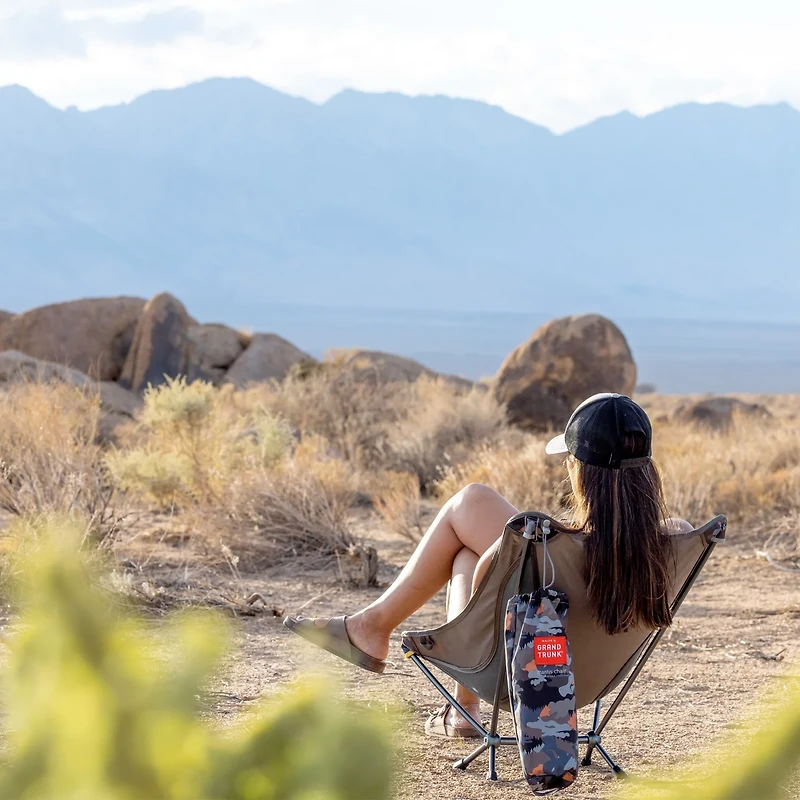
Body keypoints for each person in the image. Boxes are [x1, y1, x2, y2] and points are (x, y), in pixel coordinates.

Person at [285, 393, 692, 737]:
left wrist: (515, 550)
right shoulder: (674, 542)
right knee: (471, 535)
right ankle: (386, 640)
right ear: (648, 474)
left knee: (468, 526)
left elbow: (483, 605)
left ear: (577, 470)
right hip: (595, 680)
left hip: (521, 677)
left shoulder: (553, 547)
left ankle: (383, 637)